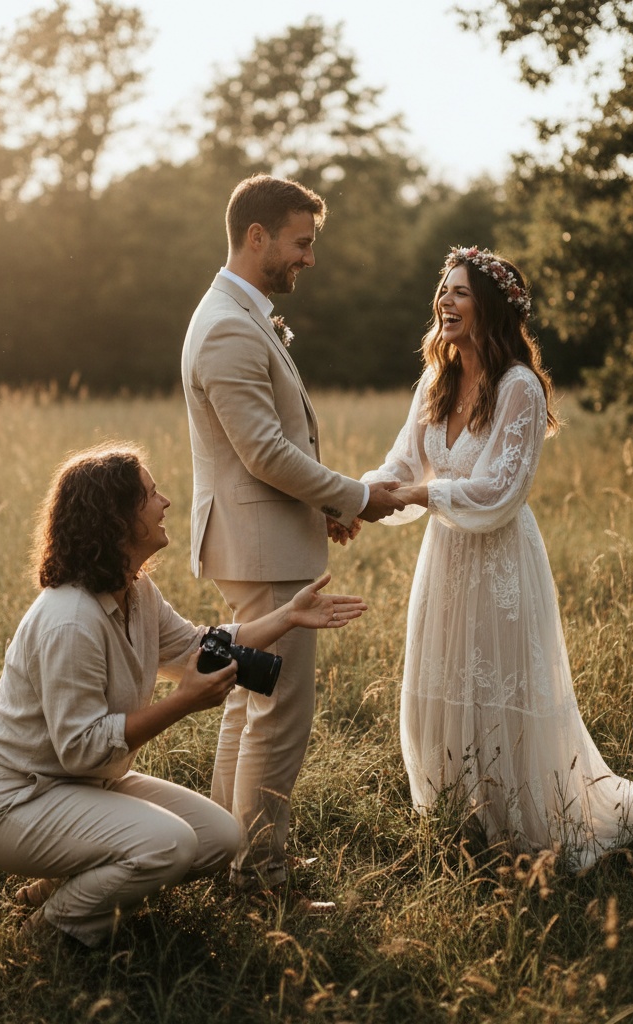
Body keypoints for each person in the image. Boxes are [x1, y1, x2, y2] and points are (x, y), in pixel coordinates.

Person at [359, 246, 633, 871]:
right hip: (445, 560)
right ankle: (457, 817)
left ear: (490, 307)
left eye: (460, 292)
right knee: (444, 686)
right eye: (443, 291)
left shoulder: (520, 388)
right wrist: (355, 500)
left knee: (497, 688)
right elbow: (401, 467)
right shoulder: (434, 383)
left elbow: (497, 491)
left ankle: (524, 823)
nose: (446, 301)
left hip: (500, 563)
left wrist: (418, 493)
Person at [0, 442, 367, 947]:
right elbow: (82, 747)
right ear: (117, 519)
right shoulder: (71, 621)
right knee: (170, 845)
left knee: (219, 838)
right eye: (151, 495)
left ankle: (62, 880)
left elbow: (197, 646)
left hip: (81, 785)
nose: (166, 502)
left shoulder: (135, 591)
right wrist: (183, 702)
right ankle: (49, 930)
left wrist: (288, 615)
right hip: (17, 799)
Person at [181, 174, 405, 892]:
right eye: (301, 243)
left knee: (250, 704)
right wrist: (359, 497)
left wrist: (325, 509)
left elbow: (274, 449)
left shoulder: (242, 315)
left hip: (265, 539)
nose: (308, 257)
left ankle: (227, 857)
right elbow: (265, 453)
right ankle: (260, 873)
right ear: (257, 237)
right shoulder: (225, 325)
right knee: (278, 715)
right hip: (262, 552)